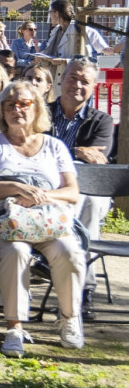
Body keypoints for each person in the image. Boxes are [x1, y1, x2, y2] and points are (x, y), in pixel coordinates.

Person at [0, 81, 85, 356]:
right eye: (10, 104)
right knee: (16, 251)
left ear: (37, 108)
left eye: (24, 103)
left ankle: (70, 318)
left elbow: (71, 192)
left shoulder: (54, 146)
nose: (16, 109)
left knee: (69, 251)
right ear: (2, 111)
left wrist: (40, 195)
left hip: (47, 221)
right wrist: (16, 188)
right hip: (5, 220)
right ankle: (14, 327)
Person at [48, 58, 114, 321]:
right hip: (48, 188)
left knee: (90, 202)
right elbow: (33, 150)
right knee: (79, 201)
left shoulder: (102, 121)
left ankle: (82, 287)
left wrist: (56, 152)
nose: (77, 85)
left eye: (84, 81)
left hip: (88, 189)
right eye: (72, 78)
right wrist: (75, 152)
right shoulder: (41, 113)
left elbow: (97, 158)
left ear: (93, 87)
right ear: (61, 79)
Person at [42, 0, 120, 63]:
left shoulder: (84, 30)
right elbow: (49, 52)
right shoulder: (55, 31)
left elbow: (105, 49)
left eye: (50, 12)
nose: (50, 15)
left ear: (57, 13)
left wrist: (121, 47)